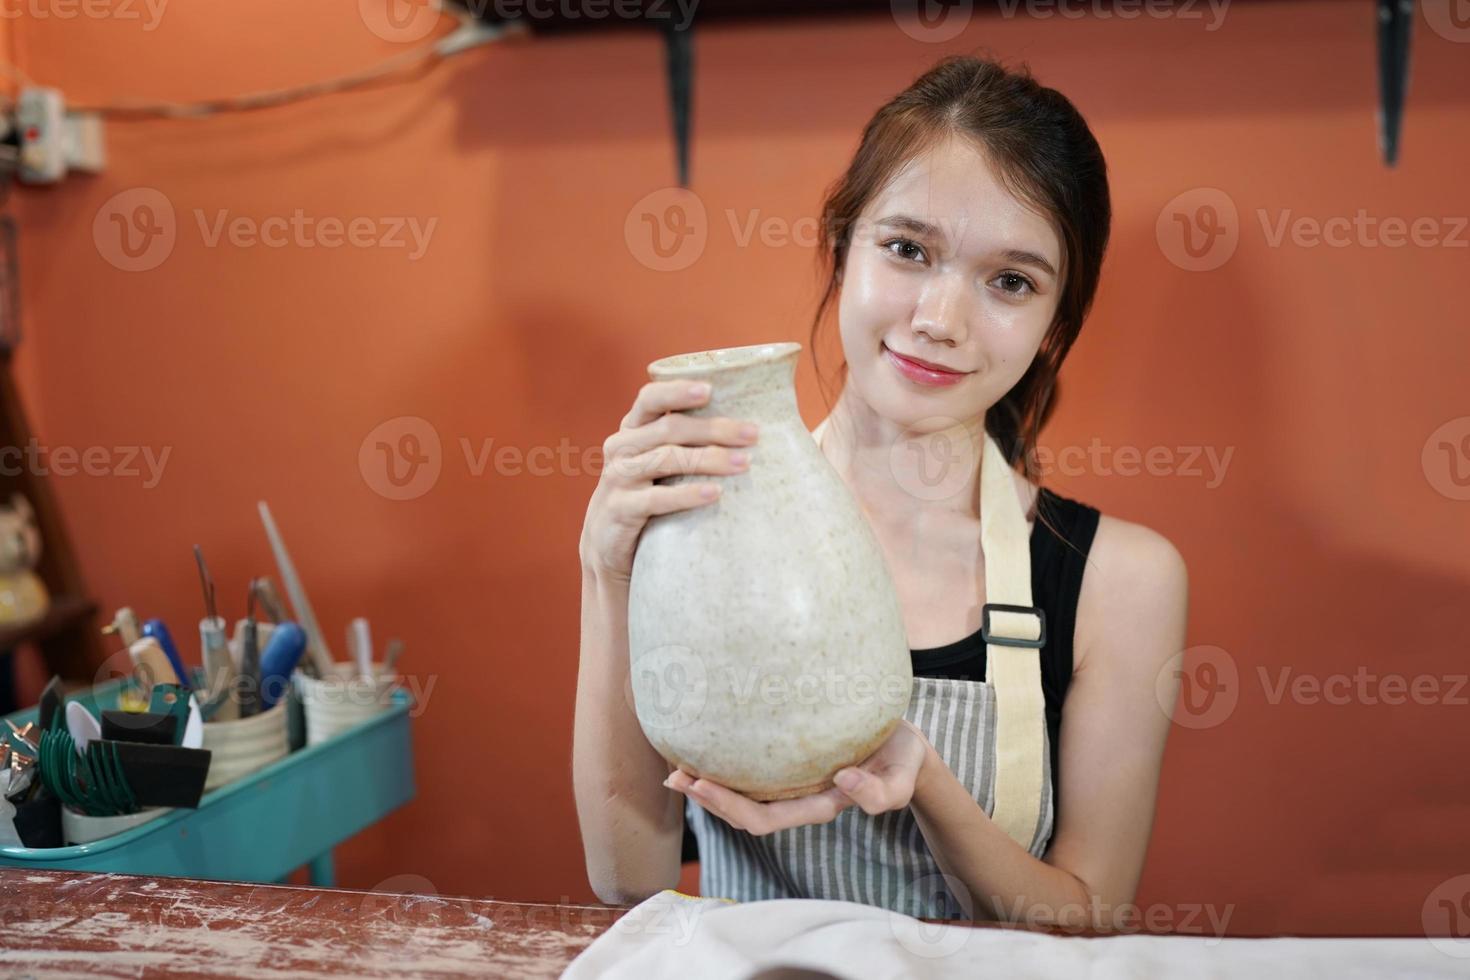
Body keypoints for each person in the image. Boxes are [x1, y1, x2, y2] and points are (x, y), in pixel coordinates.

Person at [575, 54, 1188, 929]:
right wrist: (608, 571)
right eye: (908, 250)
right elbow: (626, 876)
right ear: (840, 249)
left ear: (1057, 323)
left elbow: (1089, 919)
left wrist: (924, 782)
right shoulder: (698, 516)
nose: (942, 320)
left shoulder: (1121, 582)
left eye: (1010, 281)